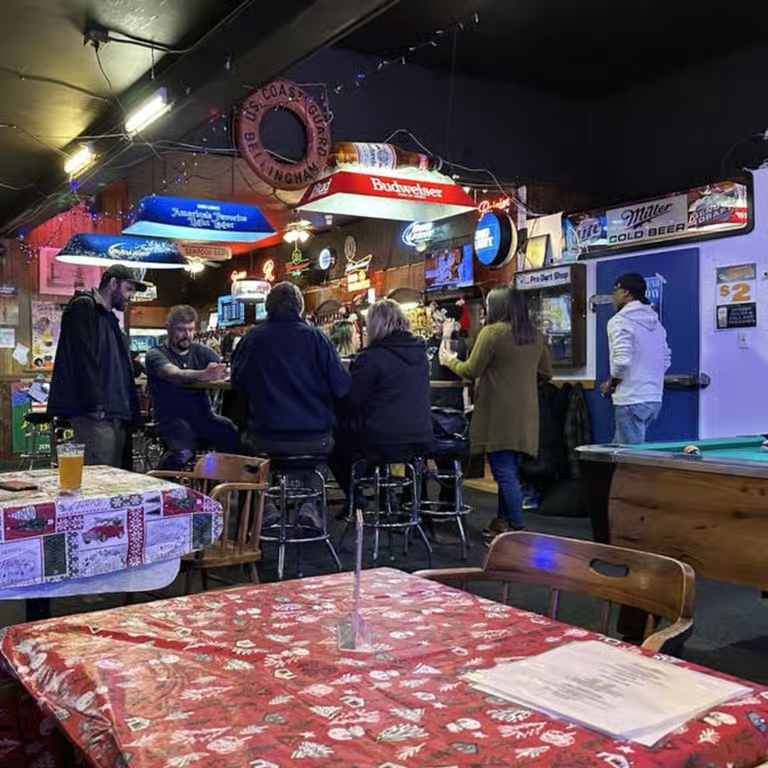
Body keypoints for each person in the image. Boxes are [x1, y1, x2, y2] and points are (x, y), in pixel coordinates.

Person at [440, 286, 552, 534]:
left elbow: (471, 369)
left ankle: (517, 530)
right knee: (509, 470)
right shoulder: (534, 335)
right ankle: (501, 522)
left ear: (498, 307)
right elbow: (547, 373)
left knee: (503, 472)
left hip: (497, 413)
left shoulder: (492, 333)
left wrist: (450, 360)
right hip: (525, 414)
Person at [232, 281, 351, 457]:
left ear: (267, 307)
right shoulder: (317, 338)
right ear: (300, 308)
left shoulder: (252, 339)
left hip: (264, 437)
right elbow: (341, 387)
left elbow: (236, 382)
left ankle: (261, 484)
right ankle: (315, 483)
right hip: (314, 439)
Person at [331, 299, 433, 501]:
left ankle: (357, 500)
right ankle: (405, 506)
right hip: (420, 437)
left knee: (333, 445)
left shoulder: (371, 357)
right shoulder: (420, 354)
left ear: (375, 325)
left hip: (380, 439)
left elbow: (352, 400)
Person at [48, 264, 145, 467]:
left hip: (114, 412)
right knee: (98, 480)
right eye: (128, 289)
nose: (131, 296)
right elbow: (81, 358)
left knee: (114, 478)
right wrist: (93, 404)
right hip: (95, 412)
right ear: (113, 283)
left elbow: (115, 363)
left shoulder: (107, 317)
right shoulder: (84, 306)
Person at [145, 305, 238, 470]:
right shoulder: (156, 354)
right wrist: (203, 374)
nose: (186, 335)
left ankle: (218, 486)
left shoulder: (202, 351)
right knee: (184, 451)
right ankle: (160, 483)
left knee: (231, 432)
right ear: (168, 327)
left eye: (190, 329)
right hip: (171, 419)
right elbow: (173, 373)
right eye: (181, 329)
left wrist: (223, 371)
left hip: (204, 417)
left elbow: (223, 368)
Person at [600, 273, 671, 444]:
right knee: (619, 451)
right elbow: (666, 359)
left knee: (629, 460)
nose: (613, 297)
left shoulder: (619, 321)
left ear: (625, 292)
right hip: (653, 399)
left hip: (630, 399)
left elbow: (622, 360)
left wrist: (611, 384)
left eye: (614, 291)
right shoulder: (656, 324)